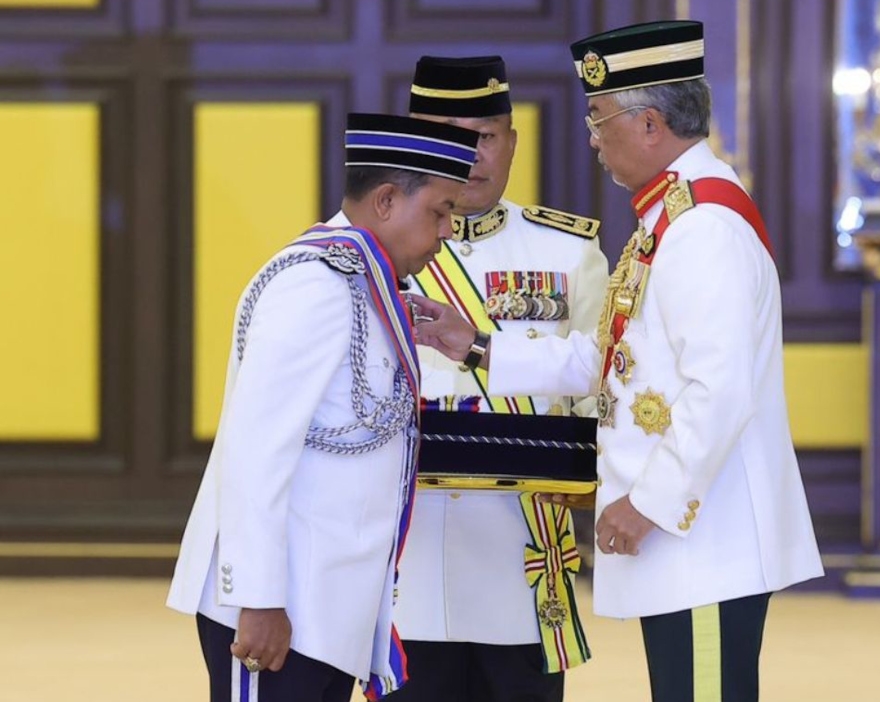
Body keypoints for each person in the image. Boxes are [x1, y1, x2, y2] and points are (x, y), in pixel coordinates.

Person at [411, 21, 824, 702]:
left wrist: (648, 505)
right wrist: (478, 346)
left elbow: (718, 391)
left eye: (600, 120)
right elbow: (614, 361)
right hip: (693, 543)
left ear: (651, 123)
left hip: (704, 541)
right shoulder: (670, 218)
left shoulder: (703, 230)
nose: (593, 138)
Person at [166, 113, 480, 702]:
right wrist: (257, 599)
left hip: (326, 611)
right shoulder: (315, 285)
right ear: (386, 200)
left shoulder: (366, 285)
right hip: (276, 611)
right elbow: (255, 452)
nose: (446, 234)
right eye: (440, 212)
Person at [392, 55, 610, 702]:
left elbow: (599, 392)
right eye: (448, 133)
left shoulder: (567, 253)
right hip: (410, 553)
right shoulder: (366, 250)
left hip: (520, 553)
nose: (470, 153)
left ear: (512, 140)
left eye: (484, 134)